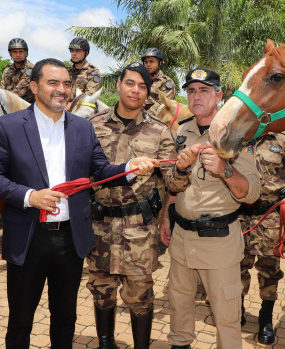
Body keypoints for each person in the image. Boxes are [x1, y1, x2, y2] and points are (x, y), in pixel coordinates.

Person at [0, 58, 157, 349]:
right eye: (53, 83)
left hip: (69, 239)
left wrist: (129, 166)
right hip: (28, 237)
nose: (62, 89)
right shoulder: (9, 126)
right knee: (21, 319)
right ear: (35, 86)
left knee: (65, 317)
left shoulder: (82, 128)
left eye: (66, 83)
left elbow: (100, 172)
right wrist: (30, 197)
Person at [159, 68, 261, 349]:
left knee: (226, 316)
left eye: (204, 90)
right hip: (181, 239)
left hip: (218, 242)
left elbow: (252, 194)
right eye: (191, 91)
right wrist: (167, 215)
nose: (196, 96)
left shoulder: (237, 135)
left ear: (219, 96)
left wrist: (226, 170)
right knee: (179, 305)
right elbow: (174, 184)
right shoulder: (183, 130)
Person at [87, 62, 187, 349]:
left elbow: (174, 184)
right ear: (118, 86)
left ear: (148, 93)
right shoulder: (93, 126)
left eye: (142, 86)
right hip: (99, 227)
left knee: (140, 296)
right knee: (101, 290)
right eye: (130, 83)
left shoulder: (159, 131)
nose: (136, 90)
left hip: (139, 230)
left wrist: (183, 169)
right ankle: (106, 344)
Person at [239, 132, 285, 344]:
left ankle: (265, 318)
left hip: (271, 216)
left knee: (269, 270)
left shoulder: (282, 140)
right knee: (237, 266)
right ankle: (239, 309)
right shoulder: (237, 135)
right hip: (239, 215)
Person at [140, 48, 176, 117]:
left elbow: (162, 105)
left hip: (155, 121)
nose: (148, 64)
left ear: (159, 63)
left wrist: (143, 115)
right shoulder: (140, 80)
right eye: (146, 62)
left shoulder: (166, 82)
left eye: (151, 61)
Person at [0, 38, 35, 103]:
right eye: (15, 52)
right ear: (10, 54)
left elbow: (20, 90)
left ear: (26, 53)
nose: (18, 55)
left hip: (27, 106)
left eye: (20, 52)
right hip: (7, 104)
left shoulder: (31, 69)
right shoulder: (7, 70)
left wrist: (4, 99)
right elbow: (2, 88)